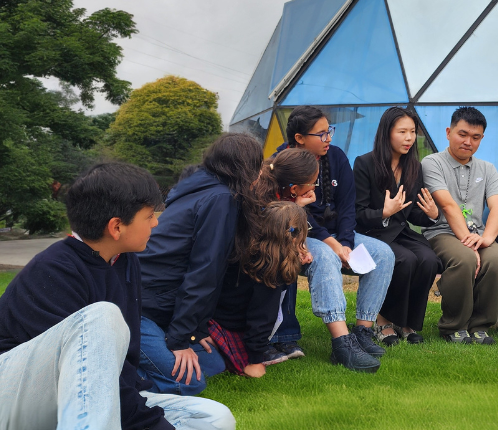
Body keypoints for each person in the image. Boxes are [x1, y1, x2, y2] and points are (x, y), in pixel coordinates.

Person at [0, 163, 235, 430]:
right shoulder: (55, 269)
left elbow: (117, 374)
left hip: (64, 402)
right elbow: (92, 378)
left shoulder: (125, 261)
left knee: (214, 418)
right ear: (116, 227)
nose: (156, 224)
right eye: (149, 216)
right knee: (102, 316)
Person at [273, 106, 395, 372]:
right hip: (302, 236)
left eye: (330, 131)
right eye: (322, 133)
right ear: (299, 138)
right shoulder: (283, 163)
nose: (328, 138)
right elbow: (299, 218)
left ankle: (362, 330)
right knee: (325, 256)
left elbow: (348, 206)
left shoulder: (336, 156)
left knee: (383, 253)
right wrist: (334, 245)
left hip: (339, 234)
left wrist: (348, 243)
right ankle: (341, 343)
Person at [136, 133, 261, 395]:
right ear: (247, 168)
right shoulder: (221, 199)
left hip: (159, 304)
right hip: (140, 306)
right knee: (189, 382)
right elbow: (204, 274)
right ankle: (122, 374)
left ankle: (142, 357)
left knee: (213, 363)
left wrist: (195, 330)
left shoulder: (198, 188)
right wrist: (180, 340)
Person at [354, 107, 442, 346]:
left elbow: (413, 212)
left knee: (428, 259)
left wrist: (433, 215)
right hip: (373, 232)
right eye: (402, 131)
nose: (409, 138)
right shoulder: (364, 164)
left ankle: (407, 323)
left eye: (412, 132)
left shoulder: (414, 166)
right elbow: (358, 213)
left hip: (400, 231)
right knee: (406, 259)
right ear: (387, 133)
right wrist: (384, 212)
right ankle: (383, 320)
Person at [422, 106, 498, 345]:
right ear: (449, 132)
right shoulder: (432, 163)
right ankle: (454, 325)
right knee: (465, 259)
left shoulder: (487, 169)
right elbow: (448, 206)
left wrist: (487, 239)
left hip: (478, 234)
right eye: (462, 134)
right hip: (441, 233)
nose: (468, 141)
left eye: (476, 137)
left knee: (497, 260)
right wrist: (470, 246)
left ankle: (479, 325)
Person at [207, 201, 313, 378]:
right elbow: (262, 317)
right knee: (214, 366)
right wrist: (255, 361)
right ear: (294, 235)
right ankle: (216, 345)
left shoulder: (251, 251)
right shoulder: (271, 269)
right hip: (228, 326)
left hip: (217, 317)